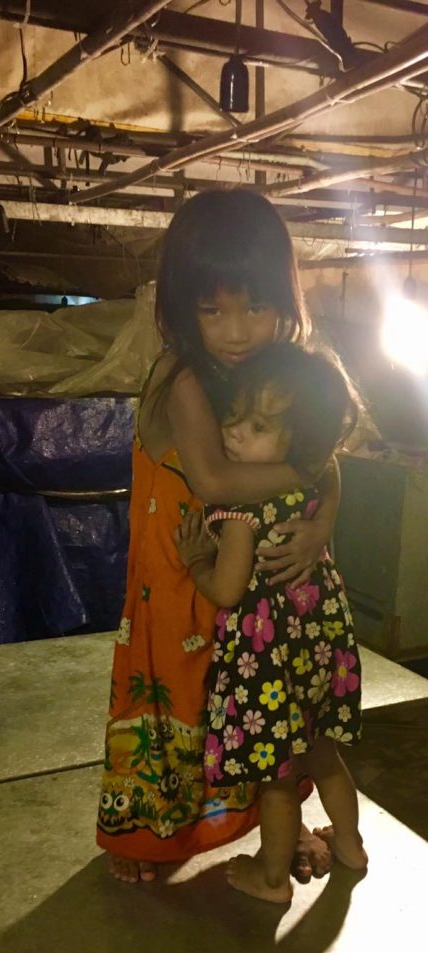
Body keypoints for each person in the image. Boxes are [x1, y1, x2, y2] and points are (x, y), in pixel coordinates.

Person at [96, 188, 340, 885]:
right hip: (184, 573)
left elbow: (327, 452)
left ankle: (276, 827)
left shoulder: (280, 370)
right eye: (212, 310)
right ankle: (148, 834)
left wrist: (321, 521)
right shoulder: (177, 375)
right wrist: (307, 470)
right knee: (177, 695)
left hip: (257, 584)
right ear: (184, 307)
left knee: (257, 703)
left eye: (254, 308)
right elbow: (213, 478)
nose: (236, 332)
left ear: (283, 299)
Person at [175, 341, 368, 904]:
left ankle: (273, 879)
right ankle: (351, 846)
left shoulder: (241, 508)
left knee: (278, 776)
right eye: (234, 415)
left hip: (268, 662)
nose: (233, 432)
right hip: (321, 650)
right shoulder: (310, 483)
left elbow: (227, 589)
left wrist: (197, 562)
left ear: (299, 439)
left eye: (257, 426)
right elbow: (331, 469)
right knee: (323, 755)